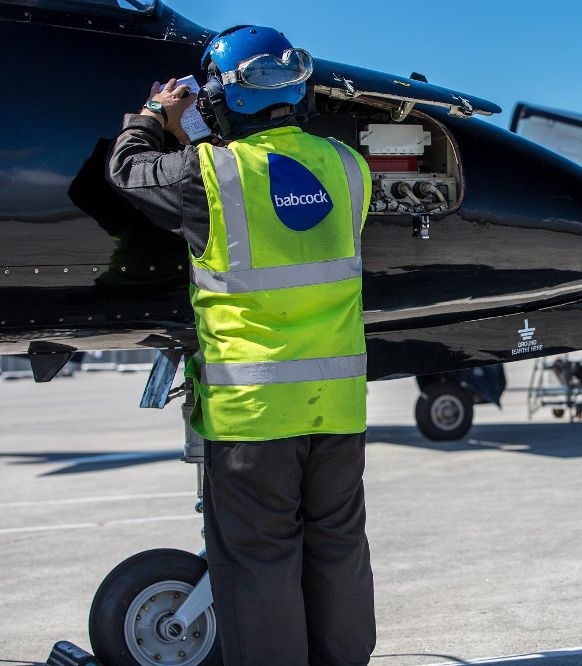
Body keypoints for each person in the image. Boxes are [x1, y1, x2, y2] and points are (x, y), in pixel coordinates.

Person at [107, 25, 376, 666]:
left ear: (221, 98)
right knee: (338, 550)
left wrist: (154, 115)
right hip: (337, 409)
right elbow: (282, 200)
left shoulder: (208, 174)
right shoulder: (349, 168)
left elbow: (128, 171)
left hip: (254, 416)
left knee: (260, 562)